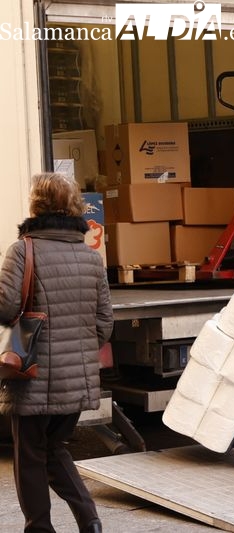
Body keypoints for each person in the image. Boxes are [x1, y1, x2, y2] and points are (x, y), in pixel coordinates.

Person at [0, 172, 113, 533]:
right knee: (54, 449)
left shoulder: (23, 250)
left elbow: (6, 309)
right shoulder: (91, 258)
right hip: (76, 377)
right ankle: (90, 520)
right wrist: (78, 350)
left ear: (37, 204)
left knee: (30, 455)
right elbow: (104, 323)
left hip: (31, 373)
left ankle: (40, 529)